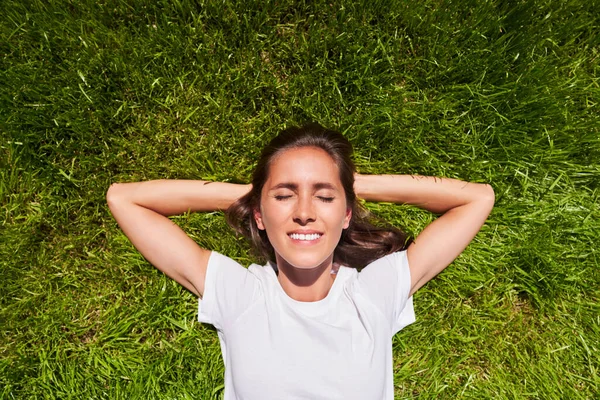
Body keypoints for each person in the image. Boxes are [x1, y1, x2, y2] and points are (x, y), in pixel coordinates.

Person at [106, 123, 495, 399]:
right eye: (285, 197)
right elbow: (125, 199)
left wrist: (351, 186)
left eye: (324, 198)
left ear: (346, 216)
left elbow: (477, 198)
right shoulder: (240, 294)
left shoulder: (374, 293)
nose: (305, 212)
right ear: (259, 215)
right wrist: (255, 193)